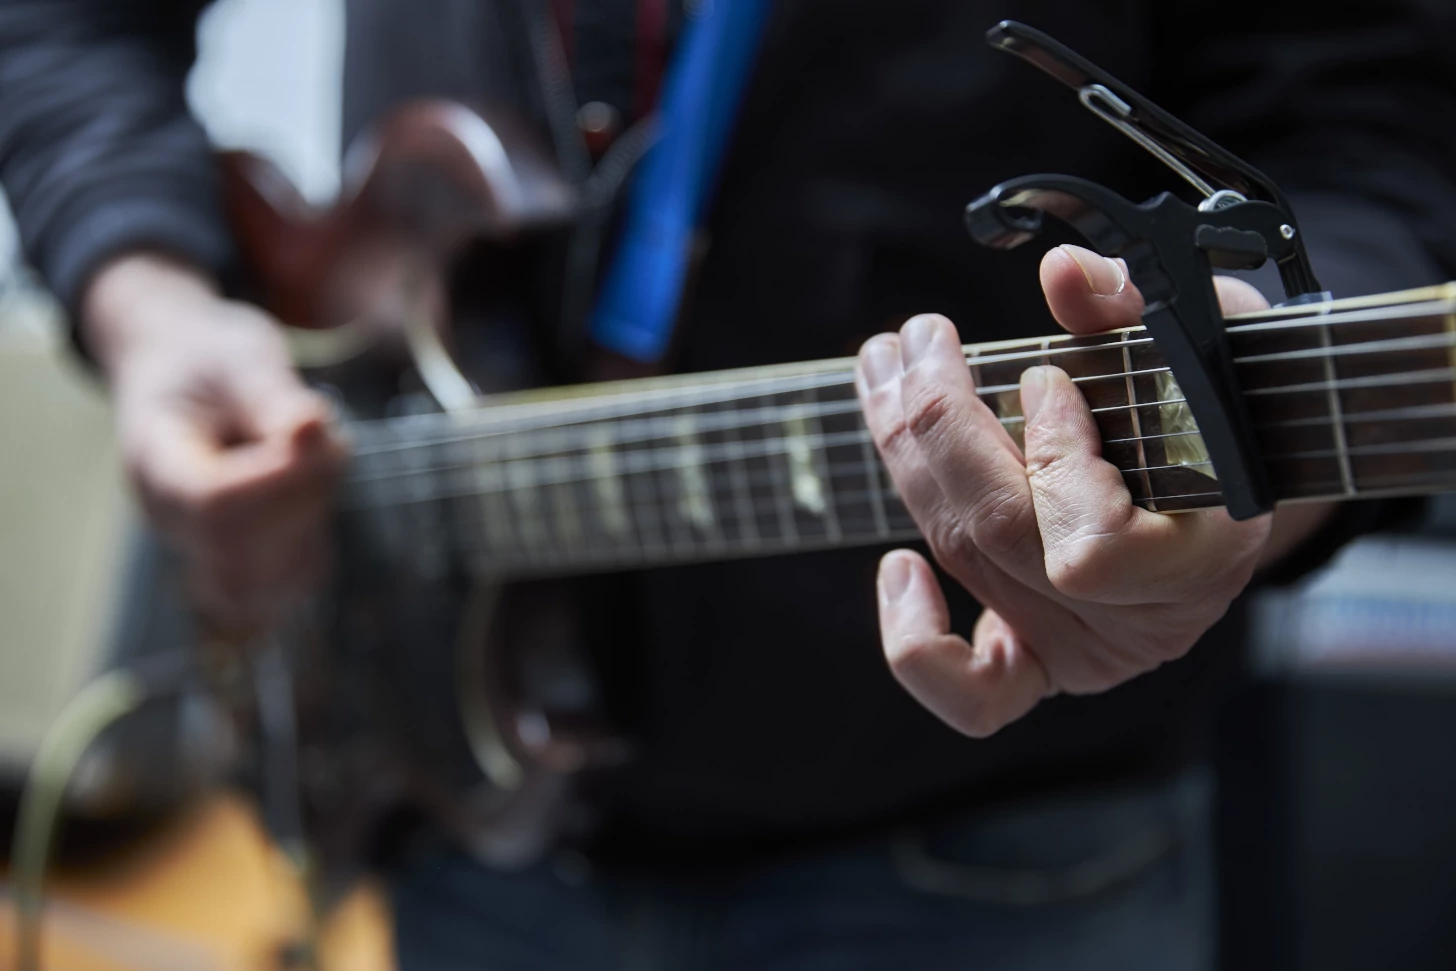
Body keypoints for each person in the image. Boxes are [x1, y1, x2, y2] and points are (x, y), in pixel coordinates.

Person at [2, 1, 1453, 967]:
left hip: (990, 858)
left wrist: (1253, 477)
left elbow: (1378, 119)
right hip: (455, 811)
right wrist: (150, 301)